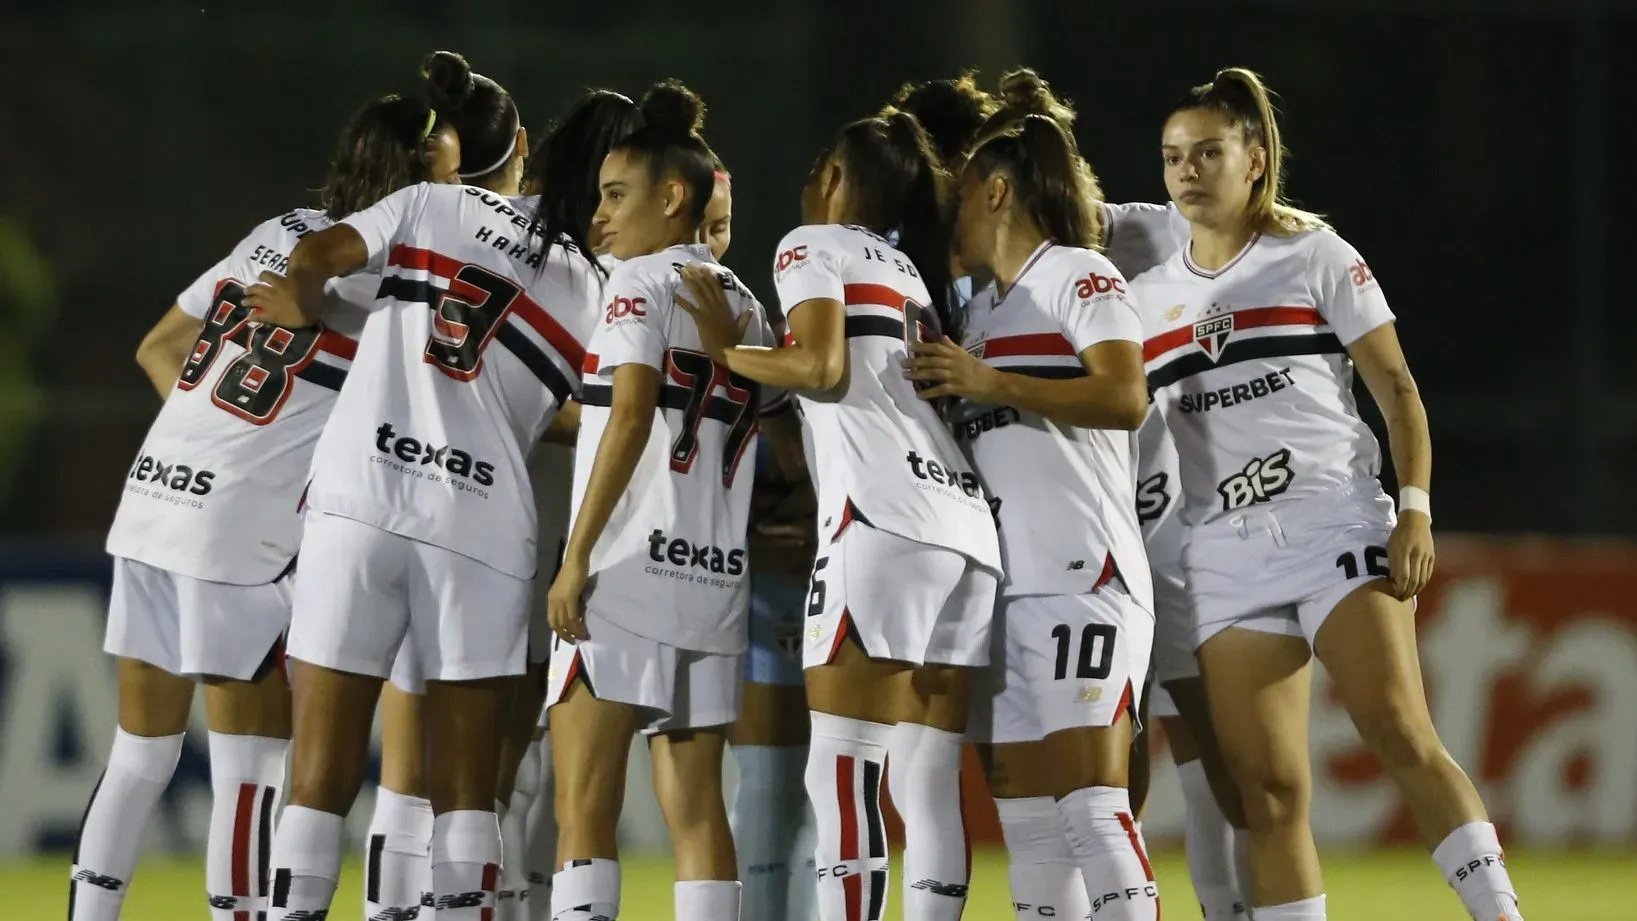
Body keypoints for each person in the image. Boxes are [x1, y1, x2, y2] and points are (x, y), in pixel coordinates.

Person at [1131, 67, 1521, 921]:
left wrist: (1412, 506)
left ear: (1256, 160)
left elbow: (1397, 390)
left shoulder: (1314, 253)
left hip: (1331, 523)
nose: (1186, 171)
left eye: (1206, 152)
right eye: (1170, 158)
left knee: (1398, 732)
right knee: (1266, 791)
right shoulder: (1144, 300)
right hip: (1225, 551)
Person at [69, 95, 458, 921]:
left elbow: (160, 347)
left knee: (140, 753)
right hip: (235, 534)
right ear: (418, 181)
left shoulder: (279, 230)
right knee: (251, 766)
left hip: (153, 497)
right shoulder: (393, 283)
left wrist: (217, 437)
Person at [244, 79, 604, 920]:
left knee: (318, 777)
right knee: (465, 793)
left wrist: (309, 311)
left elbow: (314, 258)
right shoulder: (585, 278)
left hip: (359, 496)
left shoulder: (426, 205)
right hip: (477, 523)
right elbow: (593, 413)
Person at [678, 107, 1001, 921]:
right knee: (924, 775)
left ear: (830, 177)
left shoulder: (809, 243)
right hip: (963, 526)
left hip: (881, 520)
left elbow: (816, 365)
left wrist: (727, 351)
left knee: (842, 768)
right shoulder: (912, 272)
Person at [905, 69, 1159, 921]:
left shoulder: (1078, 275)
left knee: (1092, 806)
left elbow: (1125, 396)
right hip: (1004, 595)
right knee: (1028, 826)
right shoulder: (980, 315)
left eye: (965, 191)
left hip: (1081, 576)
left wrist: (991, 381)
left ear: (999, 190)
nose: (954, 209)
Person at [542, 79, 778, 921]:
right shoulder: (742, 301)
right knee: (698, 808)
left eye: (614, 195)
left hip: (626, 569)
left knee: (584, 809)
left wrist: (574, 558)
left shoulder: (636, 282)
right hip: (712, 578)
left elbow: (633, 411)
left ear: (671, 196)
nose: (599, 216)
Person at [358, 49, 537, 921]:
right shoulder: (552, 249)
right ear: (524, 150)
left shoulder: (412, 220)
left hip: (385, 495)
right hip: (490, 515)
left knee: (400, 758)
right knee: (487, 778)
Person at [508, 88, 647, 921]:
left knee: (522, 761)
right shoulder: (589, 266)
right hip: (545, 518)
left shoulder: (514, 234)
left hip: (508, 507)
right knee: (515, 760)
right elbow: (536, 395)